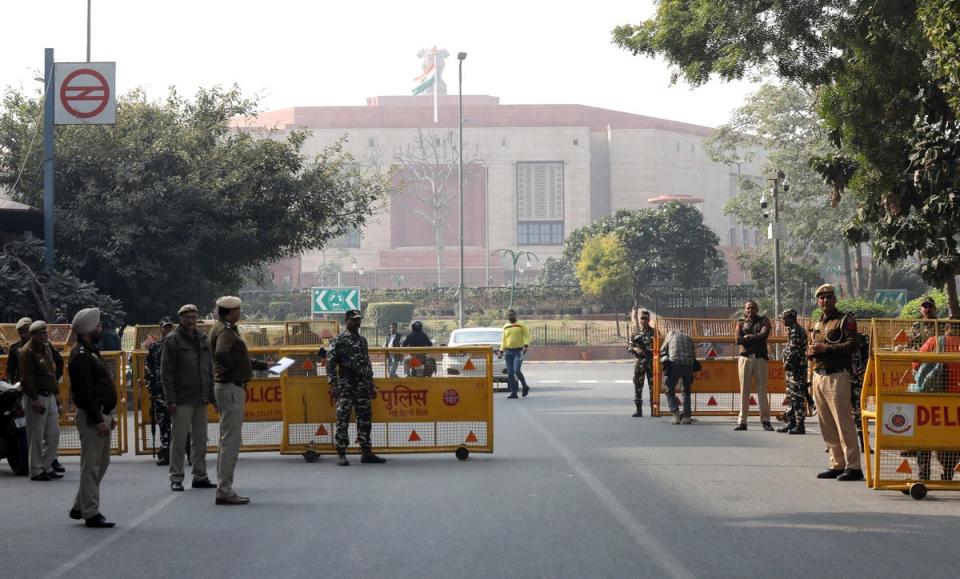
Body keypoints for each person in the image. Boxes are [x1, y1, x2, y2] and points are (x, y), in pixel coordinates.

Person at [209, 296, 269, 505]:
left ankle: (223, 486)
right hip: (230, 386)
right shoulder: (225, 332)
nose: (240, 312)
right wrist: (234, 370)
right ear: (231, 311)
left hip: (228, 385)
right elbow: (222, 354)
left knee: (227, 439)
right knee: (231, 441)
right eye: (238, 310)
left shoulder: (222, 328)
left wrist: (262, 366)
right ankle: (224, 489)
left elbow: (235, 356)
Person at [67, 308, 119, 528]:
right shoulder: (80, 355)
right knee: (92, 465)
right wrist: (98, 420)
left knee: (101, 462)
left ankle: (81, 505)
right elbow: (85, 392)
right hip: (92, 416)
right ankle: (90, 512)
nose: (100, 328)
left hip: (101, 413)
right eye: (98, 326)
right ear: (89, 329)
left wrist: (110, 413)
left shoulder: (90, 351)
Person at [807, 284, 863, 481]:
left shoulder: (845, 320)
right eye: (821, 297)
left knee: (843, 422)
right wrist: (811, 352)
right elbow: (813, 347)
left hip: (837, 376)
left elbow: (852, 345)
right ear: (817, 301)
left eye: (829, 297)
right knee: (827, 424)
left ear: (835, 299)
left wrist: (826, 349)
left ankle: (854, 466)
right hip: (818, 375)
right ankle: (836, 464)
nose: (825, 300)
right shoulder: (817, 324)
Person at [162, 304, 217, 492]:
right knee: (179, 440)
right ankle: (176, 477)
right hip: (182, 398)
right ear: (181, 319)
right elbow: (166, 372)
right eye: (187, 317)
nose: (191, 320)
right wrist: (170, 399)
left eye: (194, 317)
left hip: (200, 397)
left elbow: (208, 368)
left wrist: (212, 396)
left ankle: (200, 476)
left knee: (200, 440)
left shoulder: (202, 338)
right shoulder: (173, 340)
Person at [326, 309, 385, 466]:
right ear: (347, 321)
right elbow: (330, 363)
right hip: (346, 385)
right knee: (343, 419)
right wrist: (333, 384)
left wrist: (371, 384)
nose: (357, 322)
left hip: (362, 386)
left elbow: (367, 363)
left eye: (358, 320)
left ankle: (366, 452)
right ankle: (341, 453)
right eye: (354, 320)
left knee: (365, 419)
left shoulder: (363, 341)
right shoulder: (338, 340)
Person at [912, 320, 960, 480]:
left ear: (946, 327)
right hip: (956, 401)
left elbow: (915, 364)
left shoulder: (934, 341)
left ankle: (923, 474)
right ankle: (948, 472)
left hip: (932, 399)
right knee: (952, 438)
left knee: (924, 436)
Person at [18, 321, 64, 481]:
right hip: (36, 397)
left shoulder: (46, 348)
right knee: (36, 436)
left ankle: (46, 465)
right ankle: (36, 470)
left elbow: (52, 371)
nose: (45, 336)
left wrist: (56, 393)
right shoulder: (27, 352)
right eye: (42, 333)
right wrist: (34, 398)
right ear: (34, 335)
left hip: (49, 395)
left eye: (46, 333)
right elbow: (26, 378)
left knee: (54, 433)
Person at [734, 300, 773, 431]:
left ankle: (766, 420)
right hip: (745, 358)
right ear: (745, 310)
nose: (750, 310)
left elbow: (764, 335)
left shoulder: (764, 321)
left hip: (760, 358)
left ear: (757, 309)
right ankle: (742, 422)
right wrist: (752, 337)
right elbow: (738, 340)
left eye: (753, 308)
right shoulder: (740, 322)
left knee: (762, 390)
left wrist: (748, 337)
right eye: (748, 308)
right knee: (744, 390)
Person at [145, 318, 175, 466]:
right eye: (165, 328)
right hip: (159, 393)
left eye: (170, 328)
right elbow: (148, 371)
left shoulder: (177, 346)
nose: (167, 330)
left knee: (181, 424)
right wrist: (151, 390)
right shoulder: (154, 348)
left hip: (176, 393)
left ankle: (185, 452)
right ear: (161, 329)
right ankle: (166, 452)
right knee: (163, 424)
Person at [778, 309, 808, 435]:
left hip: (797, 369)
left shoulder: (796, 331)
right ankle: (792, 422)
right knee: (791, 396)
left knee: (797, 397)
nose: (783, 320)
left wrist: (787, 364)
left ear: (791, 318)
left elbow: (794, 351)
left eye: (785, 318)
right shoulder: (792, 330)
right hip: (792, 370)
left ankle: (800, 424)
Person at [660, 327, 696, 424]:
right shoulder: (688, 337)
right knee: (686, 391)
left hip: (675, 364)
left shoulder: (670, 335)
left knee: (669, 390)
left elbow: (662, 349)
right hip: (688, 365)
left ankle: (676, 415)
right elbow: (693, 354)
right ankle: (687, 417)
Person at [498, 309, 531, 399]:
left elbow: (526, 335)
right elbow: (503, 340)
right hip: (508, 352)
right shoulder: (505, 326)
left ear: (515, 315)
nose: (510, 317)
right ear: (507, 316)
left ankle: (525, 386)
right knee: (510, 373)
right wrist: (501, 351)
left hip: (519, 351)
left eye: (512, 315)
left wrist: (526, 345)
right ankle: (514, 392)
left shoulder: (521, 324)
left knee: (516, 370)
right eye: (509, 315)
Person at [628, 310, 656, 417]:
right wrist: (635, 349)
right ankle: (638, 410)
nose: (644, 320)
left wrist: (650, 351)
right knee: (638, 386)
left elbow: (660, 346)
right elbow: (629, 347)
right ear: (639, 320)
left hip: (651, 362)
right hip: (639, 363)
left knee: (652, 386)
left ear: (649, 320)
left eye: (646, 318)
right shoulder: (635, 334)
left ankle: (654, 410)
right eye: (642, 318)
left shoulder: (654, 333)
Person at [850, 331, 870, 451]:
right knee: (840, 413)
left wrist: (861, 372)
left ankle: (864, 444)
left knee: (860, 413)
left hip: (857, 380)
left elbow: (868, 357)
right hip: (843, 379)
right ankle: (836, 444)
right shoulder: (839, 337)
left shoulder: (862, 338)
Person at [5, 317, 33, 384]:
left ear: (31, 331)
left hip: (38, 385)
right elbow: (10, 370)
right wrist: (10, 386)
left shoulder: (41, 345)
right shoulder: (14, 348)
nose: (23, 335)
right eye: (20, 332)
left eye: (25, 332)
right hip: (21, 384)